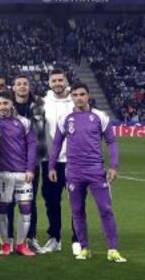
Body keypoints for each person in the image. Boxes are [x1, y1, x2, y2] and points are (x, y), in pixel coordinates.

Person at [48, 83, 125, 263]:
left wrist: (113, 166)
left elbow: (111, 142)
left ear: (88, 95)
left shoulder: (100, 116)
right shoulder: (65, 118)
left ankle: (113, 249)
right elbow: (57, 144)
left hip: (96, 171)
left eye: (82, 94)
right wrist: (52, 166)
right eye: (75, 95)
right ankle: (84, 248)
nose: (79, 98)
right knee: (77, 211)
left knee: (106, 210)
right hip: (73, 172)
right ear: (71, 97)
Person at [0, 91, 38, 257]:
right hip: (1, 174)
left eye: (5, 103)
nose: (2, 107)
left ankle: (21, 244)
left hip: (22, 174)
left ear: (11, 104)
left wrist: (30, 169)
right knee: (1, 209)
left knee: (25, 209)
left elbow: (32, 146)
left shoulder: (24, 122)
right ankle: (5, 244)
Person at [40, 68, 76, 255]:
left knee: (76, 202)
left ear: (66, 80)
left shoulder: (76, 101)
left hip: (74, 161)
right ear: (49, 83)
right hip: (50, 161)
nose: (57, 83)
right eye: (54, 81)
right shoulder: (43, 103)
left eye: (60, 80)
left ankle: (78, 240)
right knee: (52, 202)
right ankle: (55, 238)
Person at [11, 73, 47, 253]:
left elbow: (36, 132)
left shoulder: (38, 106)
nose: (22, 86)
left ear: (29, 87)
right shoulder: (6, 104)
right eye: (19, 84)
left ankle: (30, 238)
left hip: (31, 161)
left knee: (30, 202)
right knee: (8, 201)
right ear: (14, 88)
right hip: (9, 160)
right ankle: (9, 238)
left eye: (25, 84)